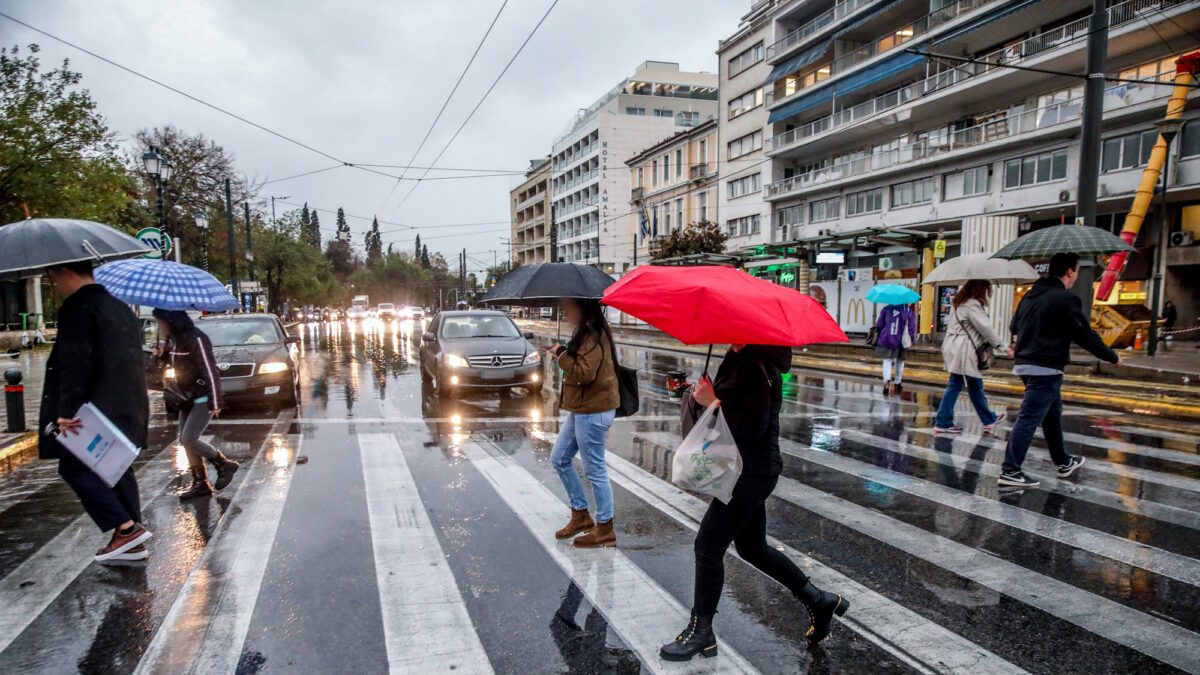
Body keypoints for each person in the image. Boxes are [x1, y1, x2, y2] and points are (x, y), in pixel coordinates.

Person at [661, 345, 847, 661]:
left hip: (749, 475)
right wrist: (704, 395)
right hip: (750, 471)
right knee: (751, 547)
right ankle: (819, 601)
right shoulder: (743, 360)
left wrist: (713, 403)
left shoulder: (754, 369)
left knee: (708, 546)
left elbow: (749, 430)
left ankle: (701, 631)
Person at [37, 260, 151, 564]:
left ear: (64, 272)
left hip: (93, 410)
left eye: (51, 277)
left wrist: (66, 411)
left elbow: (75, 363)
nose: (54, 286)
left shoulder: (78, 308)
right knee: (116, 466)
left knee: (74, 468)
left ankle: (126, 529)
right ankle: (132, 539)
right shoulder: (120, 307)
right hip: (127, 405)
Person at [1000, 253, 1122, 487]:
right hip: (1046, 366)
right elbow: (1084, 335)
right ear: (1069, 272)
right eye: (1076, 271)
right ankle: (1010, 470)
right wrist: (1112, 356)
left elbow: (1014, 326)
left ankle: (1063, 462)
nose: (1076, 276)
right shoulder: (1064, 299)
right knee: (1029, 417)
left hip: (1026, 363)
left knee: (1052, 413)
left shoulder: (1030, 296)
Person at [546, 298, 620, 548]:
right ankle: (580, 514)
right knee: (559, 458)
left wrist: (561, 355)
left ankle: (605, 527)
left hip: (593, 411)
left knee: (595, 470)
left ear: (582, 308)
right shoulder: (585, 332)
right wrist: (564, 352)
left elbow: (583, 373)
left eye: (568, 307)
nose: (564, 311)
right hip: (582, 409)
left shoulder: (593, 334)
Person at [151, 309, 238, 499]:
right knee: (184, 439)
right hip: (185, 398)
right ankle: (201, 483)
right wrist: (163, 355)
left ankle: (223, 464)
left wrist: (216, 400)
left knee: (189, 438)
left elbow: (209, 369)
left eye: (161, 322)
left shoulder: (197, 338)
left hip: (202, 396)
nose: (160, 326)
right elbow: (181, 365)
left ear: (171, 321)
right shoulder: (174, 341)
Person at [934, 280, 1013, 434]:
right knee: (957, 384)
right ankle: (943, 422)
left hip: (954, 346)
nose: (986, 294)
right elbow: (986, 329)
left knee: (973, 385)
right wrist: (1004, 347)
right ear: (979, 290)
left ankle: (988, 418)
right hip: (964, 350)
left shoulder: (959, 303)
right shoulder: (972, 305)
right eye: (985, 290)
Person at [874, 302, 915, 396]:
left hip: (887, 339)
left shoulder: (886, 309)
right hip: (901, 341)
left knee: (887, 360)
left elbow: (879, 325)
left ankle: (887, 381)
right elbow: (911, 327)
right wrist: (911, 340)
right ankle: (897, 382)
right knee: (900, 360)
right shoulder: (907, 311)